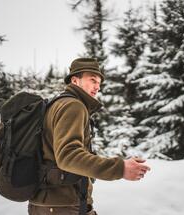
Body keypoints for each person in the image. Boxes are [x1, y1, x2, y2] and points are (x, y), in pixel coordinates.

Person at [28, 58, 151, 215]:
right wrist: (120, 168)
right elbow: (68, 156)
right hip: (62, 206)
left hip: (46, 203)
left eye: (99, 83)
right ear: (75, 80)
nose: (97, 87)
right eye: (92, 80)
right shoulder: (73, 106)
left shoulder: (56, 104)